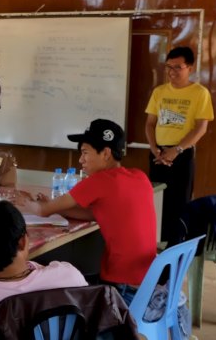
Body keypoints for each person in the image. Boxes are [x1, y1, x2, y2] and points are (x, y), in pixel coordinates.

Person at [17, 119, 156, 298]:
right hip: (148, 283)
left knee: (48, 274)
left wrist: (23, 200)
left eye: (85, 153)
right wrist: (54, 208)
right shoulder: (140, 177)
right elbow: (96, 213)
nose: (81, 160)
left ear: (105, 153)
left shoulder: (99, 181)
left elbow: (43, 211)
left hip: (120, 288)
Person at [145, 45, 214, 244]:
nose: (172, 72)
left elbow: (200, 128)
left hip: (181, 155)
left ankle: (175, 250)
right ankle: (155, 246)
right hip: (158, 153)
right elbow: (150, 124)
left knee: (179, 205)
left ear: (190, 68)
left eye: (178, 67)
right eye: (168, 67)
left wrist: (176, 150)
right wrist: (154, 149)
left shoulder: (200, 93)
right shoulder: (159, 92)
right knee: (156, 202)